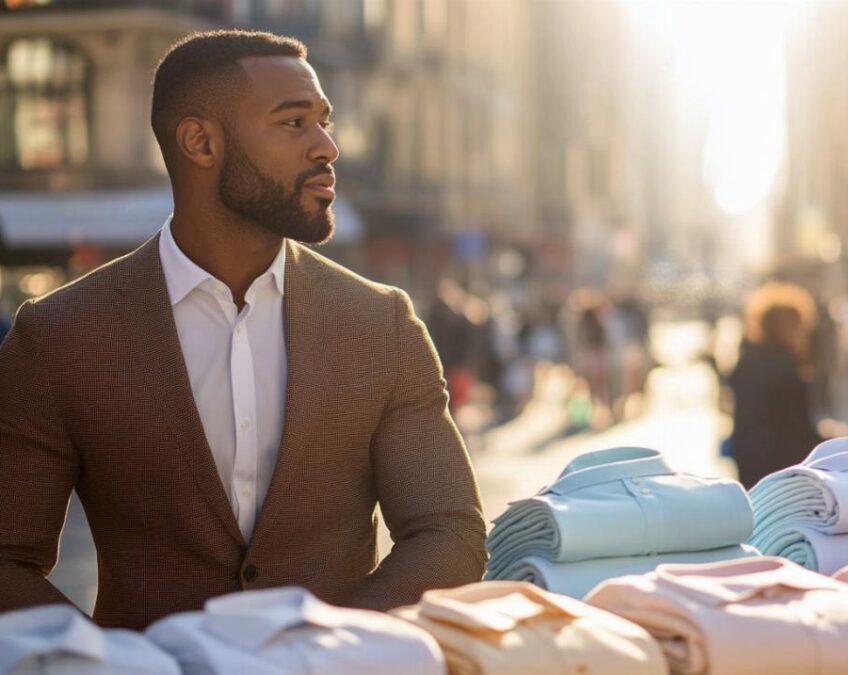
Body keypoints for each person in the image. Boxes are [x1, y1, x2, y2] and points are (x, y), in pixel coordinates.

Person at [0, 30, 486, 630]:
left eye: (324, 122)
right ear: (201, 142)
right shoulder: (58, 336)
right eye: (293, 123)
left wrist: (320, 643)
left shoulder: (381, 324)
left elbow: (450, 532)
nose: (327, 147)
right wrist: (115, 663)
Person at [729, 282, 821, 488]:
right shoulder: (788, 368)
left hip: (749, 461)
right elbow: (798, 430)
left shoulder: (747, 360)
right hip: (782, 470)